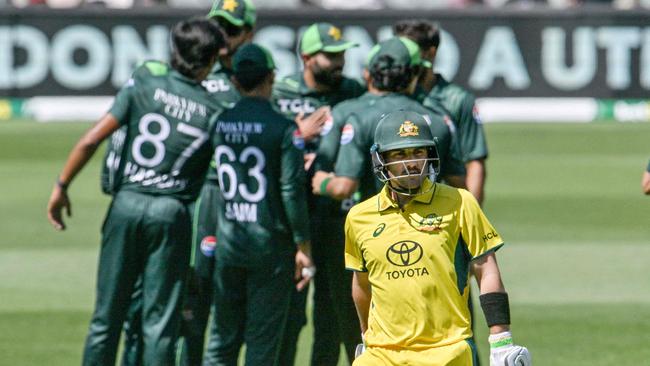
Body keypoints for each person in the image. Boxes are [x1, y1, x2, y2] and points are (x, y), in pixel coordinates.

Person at [46, 18, 225, 366]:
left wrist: (61, 186)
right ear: (210, 61)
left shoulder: (144, 84)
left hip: (125, 205)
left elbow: (90, 140)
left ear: (175, 51)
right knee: (159, 324)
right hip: (171, 215)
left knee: (105, 318)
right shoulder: (215, 110)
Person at [345, 110, 531, 366]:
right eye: (399, 154)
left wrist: (501, 340)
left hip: (447, 351)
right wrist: (366, 336)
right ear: (381, 160)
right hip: (381, 354)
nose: (411, 163)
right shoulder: (358, 217)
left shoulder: (460, 202)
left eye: (417, 152)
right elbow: (361, 284)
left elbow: (486, 269)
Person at [202, 43, 314, 366]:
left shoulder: (219, 121)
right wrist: (303, 243)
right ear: (272, 77)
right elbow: (291, 190)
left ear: (235, 82)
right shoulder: (282, 127)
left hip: (228, 243)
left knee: (221, 342)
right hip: (270, 246)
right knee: (262, 345)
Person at [271, 22, 365, 366]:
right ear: (307, 57)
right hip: (290, 215)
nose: (339, 62)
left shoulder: (354, 91)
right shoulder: (280, 93)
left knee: (337, 314)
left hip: (336, 217)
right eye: (330, 56)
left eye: (341, 55)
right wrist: (297, 136)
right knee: (290, 314)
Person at [313, 36, 466, 204]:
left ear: (367, 73)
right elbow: (459, 186)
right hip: (430, 222)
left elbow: (342, 187)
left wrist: (322, 181)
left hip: (367, 223)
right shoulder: (440, 118)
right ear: (413, 74)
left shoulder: (345, 112)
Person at [395, 19, 489, 205]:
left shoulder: (457, 99)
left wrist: (472, 216)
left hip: (437, 204)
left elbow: (474, 161)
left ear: (430, 53)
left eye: (409, 51)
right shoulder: (392, 96)